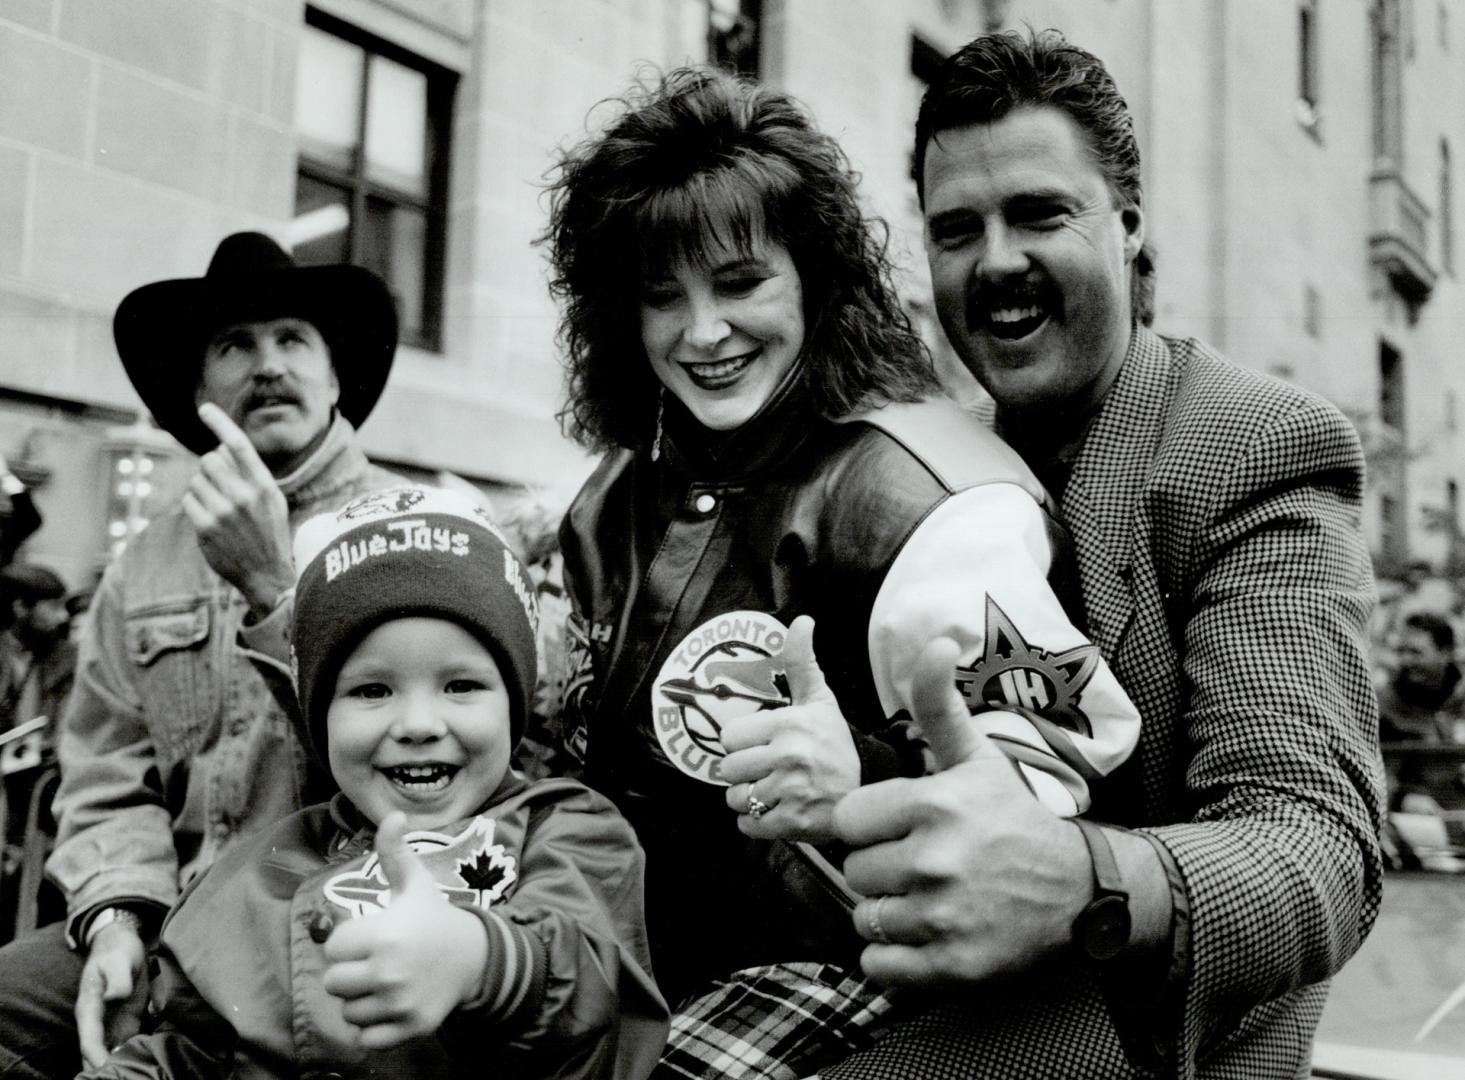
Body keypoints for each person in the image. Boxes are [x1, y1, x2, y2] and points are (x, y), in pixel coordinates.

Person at [541, 66, 1142, 1076]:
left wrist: (860, 774)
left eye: (739, 282)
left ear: (814, 277)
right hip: (611, 948)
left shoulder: (927, 498)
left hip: (846, 976)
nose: (702, 332)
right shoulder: (609, 501)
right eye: (661, 297)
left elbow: (1059, 761)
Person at [824, 29, 1384, 1078]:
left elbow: (1317, 847)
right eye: (956, 230)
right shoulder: (927, 463)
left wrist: (1081, 881)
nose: (994, 260)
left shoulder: (1252, 445)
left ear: (1126, 227)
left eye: (1038, 213)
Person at [82, 485, 667, 1079]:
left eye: (461, 685)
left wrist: (479, 960)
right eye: (371, 690)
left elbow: (592, 993)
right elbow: (188, 1048)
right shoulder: (263, 863)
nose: (417, 724)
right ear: (318, 715)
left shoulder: (570, 829)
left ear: (515, 703)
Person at [0, 231, 403, 1079]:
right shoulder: (144, 560)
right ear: (196, 388)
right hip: (168, 922)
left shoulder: (408, 531)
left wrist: (271, 587)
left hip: (340, 929)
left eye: (293, 339)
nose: (267, 365)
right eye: (234, 345)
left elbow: (418, 775)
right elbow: (106, 771)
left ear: (336, 378)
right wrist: (115, 917)